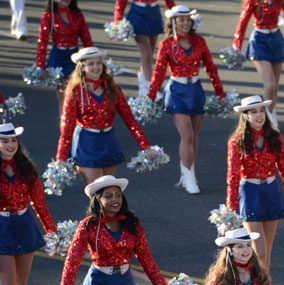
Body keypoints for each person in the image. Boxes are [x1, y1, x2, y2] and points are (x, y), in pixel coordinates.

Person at [59, 176, 167, 285]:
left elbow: (145, 256)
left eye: (117, 195)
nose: (115, 200)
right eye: (108, 196)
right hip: (100, 283)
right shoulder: (88, 225)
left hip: (123, 282)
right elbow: (73, 259)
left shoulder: (132, 223)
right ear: (98, 199)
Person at [0, 123, 58, 285]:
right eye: (5, 141)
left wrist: (51, 230)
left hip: (24, 225)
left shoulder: (26, 168)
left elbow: (39, 202)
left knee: (21, 284)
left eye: (13, 141)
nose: (10, 145)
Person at [148, 4, 227, 195]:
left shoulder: (199, 41)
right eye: (181, 20)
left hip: (195, 90)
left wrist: (220, 92)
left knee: (194, 137)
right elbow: (158, 71)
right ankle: (188, 177)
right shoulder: (167, 44)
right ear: (173, 22)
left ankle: (188, 173)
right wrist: (151, 96)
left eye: (187, 19)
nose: (185, 23)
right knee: (187, 136)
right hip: (176, 90)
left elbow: (210, 67)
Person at [56, 47, 155, 186]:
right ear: (82, 67)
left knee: (107, 190)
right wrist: (61, 157)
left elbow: (129, 119)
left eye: (98, 63)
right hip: (86, 143)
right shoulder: (75, 91)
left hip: (109, 141)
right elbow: (67, 127)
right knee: (96, 192)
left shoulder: (112, 87)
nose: (96, 67)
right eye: (90, 64)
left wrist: (145, 146)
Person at [227, 95, 284, 276]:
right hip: (250, 193)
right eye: (254, 112)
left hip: (271, 191)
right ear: (245, 115)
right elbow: (233, 175)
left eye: (262, 110)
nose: (259, 115)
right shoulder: (237, 142)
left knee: (266, 251)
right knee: (258, 250)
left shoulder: (274, 137)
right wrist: (231, 207)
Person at [233, 0, 284, 129]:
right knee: (269, 84)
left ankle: (272, 117)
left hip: (276, 39)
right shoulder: (252, 2)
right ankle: (267, 123)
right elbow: (242, 23)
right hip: (259, 41)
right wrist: (236, 47)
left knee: (274, 87)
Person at [35, 0, 93, 117]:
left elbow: (86, 39)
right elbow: (42, 43)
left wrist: (94, 58)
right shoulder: (48, 16)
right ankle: (65, 131)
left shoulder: (78, 15)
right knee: (64, 96)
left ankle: (73, 127)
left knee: (76, 95)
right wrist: (41, 66)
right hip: (58, 58)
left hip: (74, 58)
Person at [112, 0, 177, 97]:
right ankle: (151, 91)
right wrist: (118, 19)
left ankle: (143, 91)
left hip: (154, 13)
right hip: (138, 13)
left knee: (149, 55)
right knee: (146, 55)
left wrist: (176, 13)